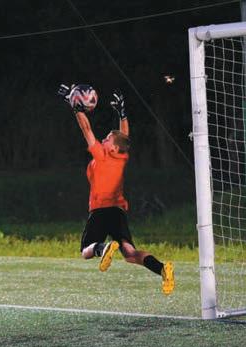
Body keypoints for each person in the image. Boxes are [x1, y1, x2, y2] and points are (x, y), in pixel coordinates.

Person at [57, 84, 174, 295]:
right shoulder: (121, 156)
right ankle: (162, 269)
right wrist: (122, 114)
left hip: (100, 210)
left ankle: (103, 248)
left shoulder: (102, 155)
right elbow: (124, 137)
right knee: (130, 252)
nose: (104, 139)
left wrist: (76, 108)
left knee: (85, 250)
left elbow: (86, 130)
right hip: (118, 212)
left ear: (112, 147)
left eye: (107, 139)